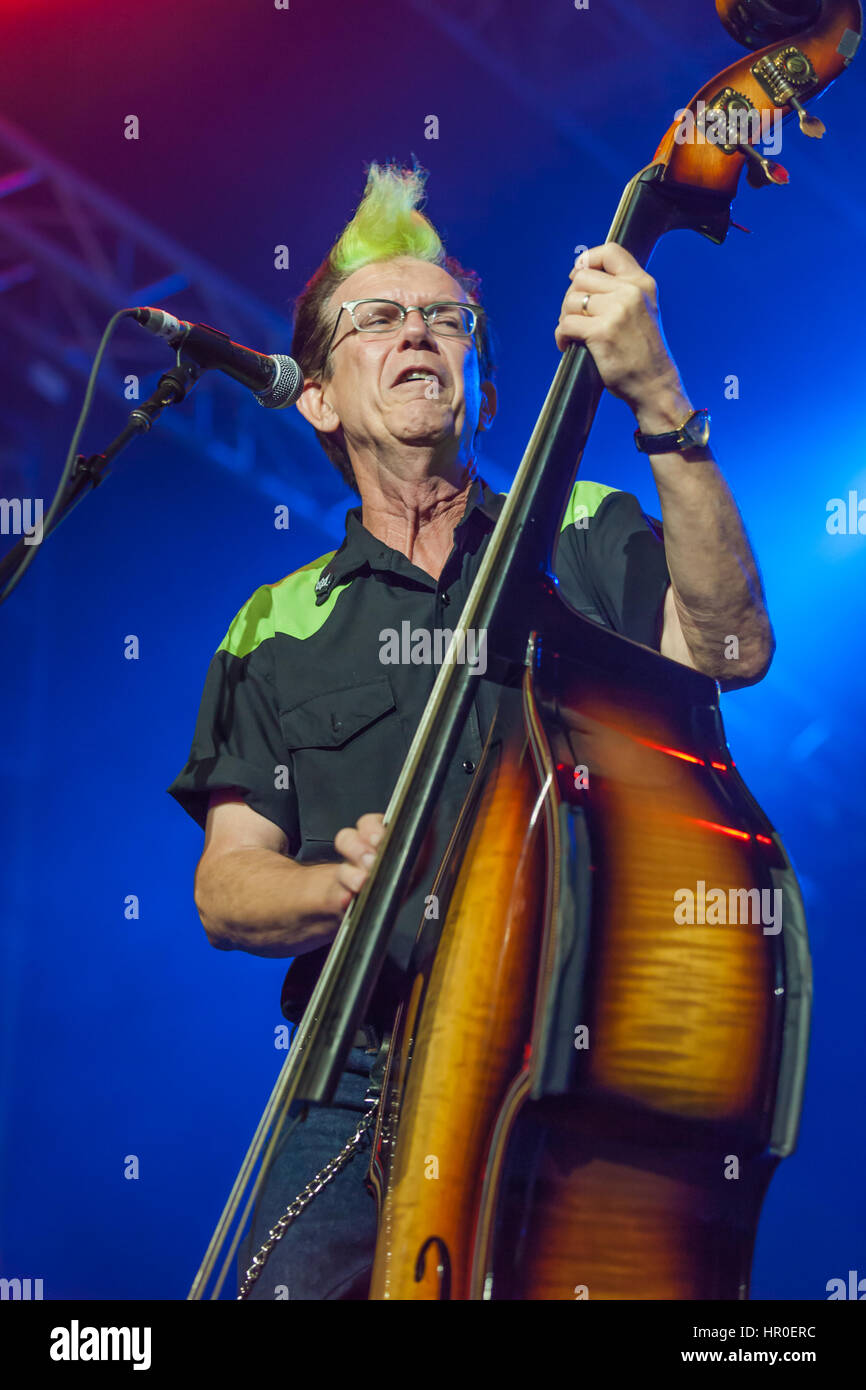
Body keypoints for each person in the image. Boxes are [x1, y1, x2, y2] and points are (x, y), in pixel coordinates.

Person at [168, 161, 774, 1300]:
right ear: (315, 394)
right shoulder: (272, 625)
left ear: (485, 384)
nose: (418, 336)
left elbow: (732, 650)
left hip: (583, 1055)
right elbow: (225, 885)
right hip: (358, 1079)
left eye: (448, 321)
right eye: (379, 318)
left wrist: (657, 405)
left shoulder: (588, 527)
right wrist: (332, 890)